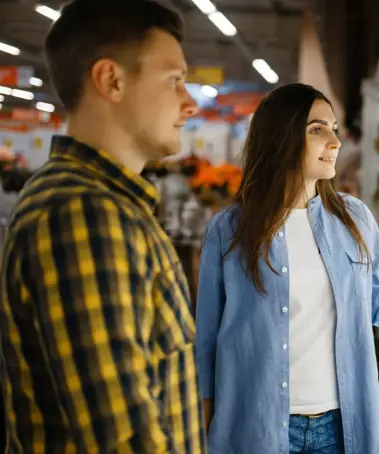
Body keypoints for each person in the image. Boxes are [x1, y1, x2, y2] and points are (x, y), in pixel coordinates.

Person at [196, 83, 379, 454]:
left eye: (334, 129)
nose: (335, 142)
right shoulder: (229, 230)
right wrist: (203, 432)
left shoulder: (354, 218)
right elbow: (207, 344)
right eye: (316, 129)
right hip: (253, 428)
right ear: (280, 138)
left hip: (339, 429)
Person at [0, 1, 204, 452]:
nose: (188, 103)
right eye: (175, 81)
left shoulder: (111, 207)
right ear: (111, 80)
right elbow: (125, 440)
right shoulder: (83, 214)